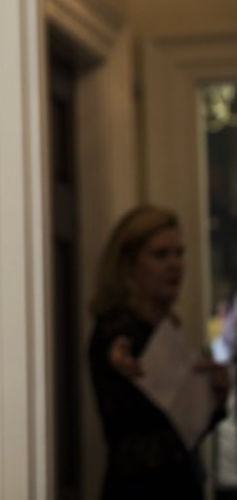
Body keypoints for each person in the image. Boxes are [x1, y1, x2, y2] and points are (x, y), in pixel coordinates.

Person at [87, 204, 230, 500]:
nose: (175, 265)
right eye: (161, 255)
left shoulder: (166, 330)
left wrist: (216, 395)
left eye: (179, 253)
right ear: (129, 263)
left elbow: (183, 428)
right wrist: (119, 360)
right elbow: (118, 356)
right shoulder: (120, 328)